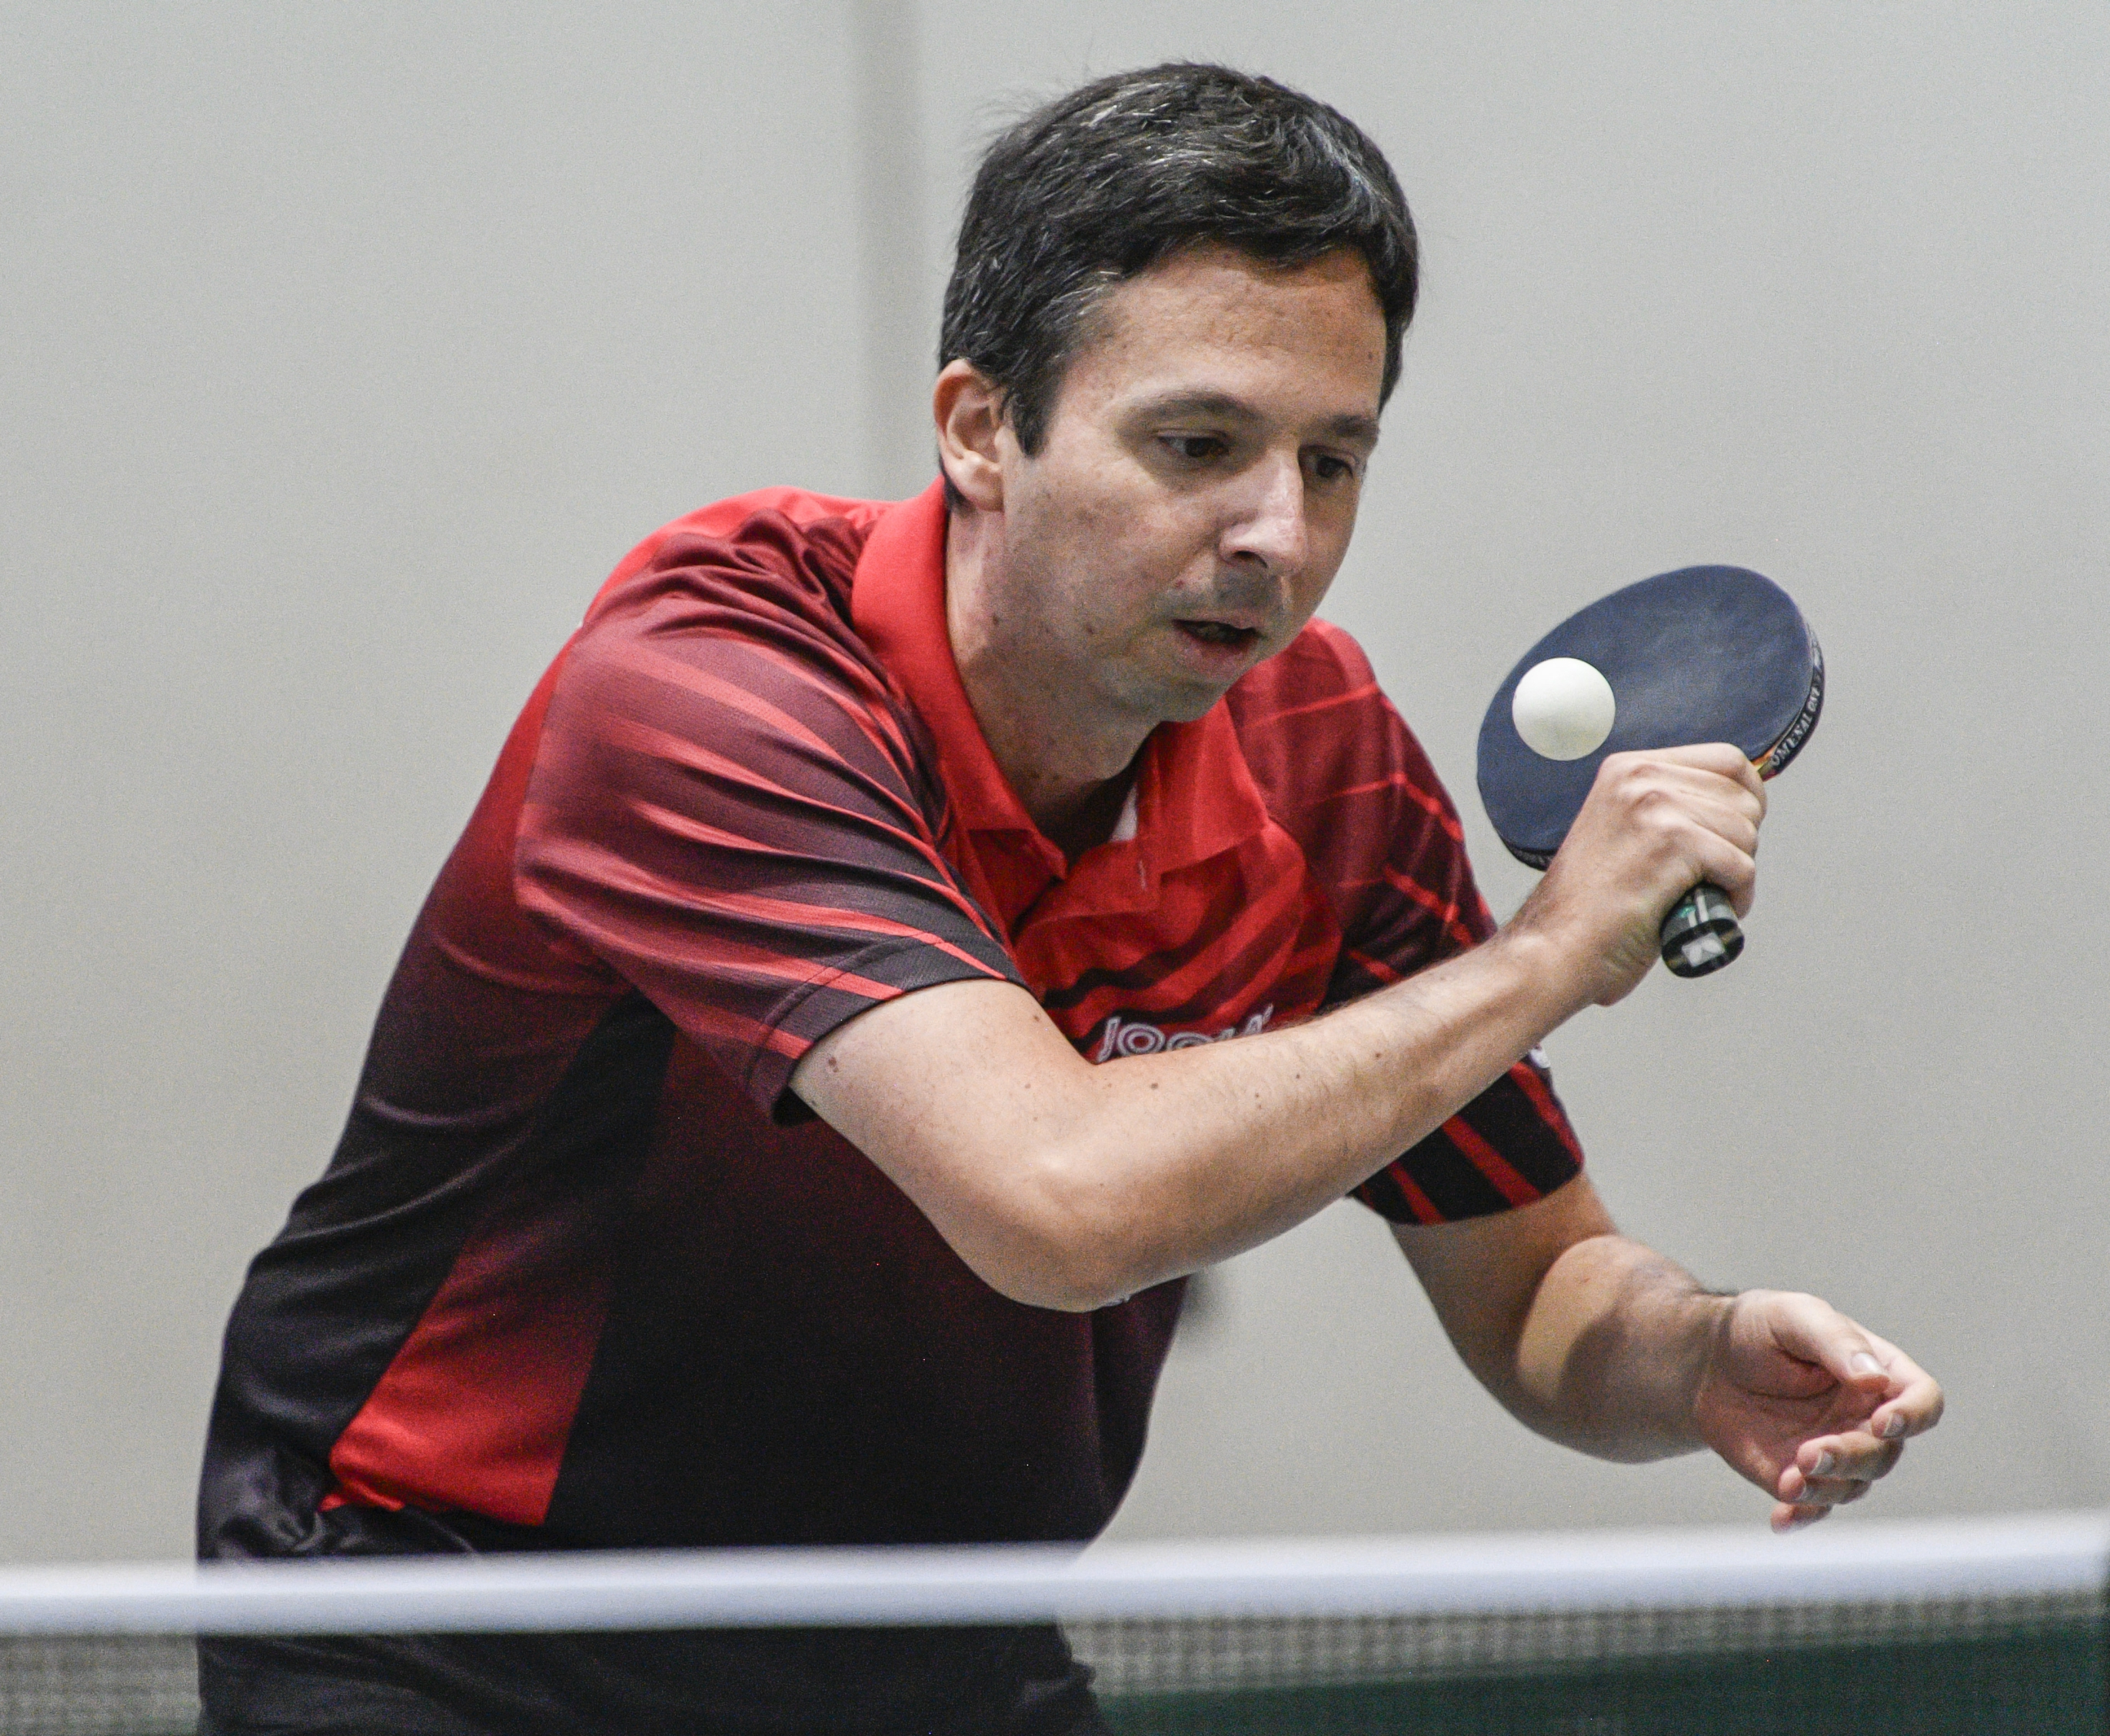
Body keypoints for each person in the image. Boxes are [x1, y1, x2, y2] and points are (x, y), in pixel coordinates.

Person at [197, 62, 1942, 1736]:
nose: (1276, 535)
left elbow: (1535, 1293)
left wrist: (1694, 1356)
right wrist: (1549, 953)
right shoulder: (712, 689)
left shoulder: (1323, 764)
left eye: (1332, 462)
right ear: (980, 429)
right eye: (1196, 443)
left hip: (926, 1643)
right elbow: (1059, 1201)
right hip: (456, 1623)